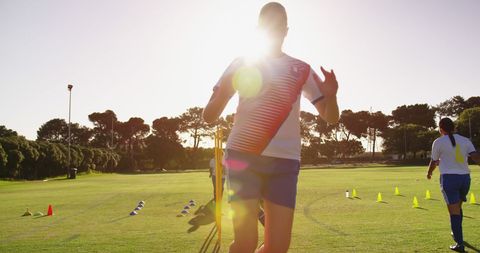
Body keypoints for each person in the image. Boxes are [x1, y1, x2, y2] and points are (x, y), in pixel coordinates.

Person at [203, 2, 339, 252]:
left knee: (278, 247)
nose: (273, 29)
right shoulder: (241, 63)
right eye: (268, 24)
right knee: (245, 243)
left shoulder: (301, 69)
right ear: (258, 29)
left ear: (287, 30)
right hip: (243, 157)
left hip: (285, 162)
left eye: (278, 25)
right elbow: (209, 116)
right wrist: (220, 93)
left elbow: (331, 118)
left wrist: (331, 96)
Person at [427, 117, 480, 252]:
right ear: (454, 127)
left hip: (449, 180)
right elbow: (475, 157)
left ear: (441, 128)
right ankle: (455, 233)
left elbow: (434, 161)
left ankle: (459, 244)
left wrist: (429, 173)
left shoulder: (438, 142)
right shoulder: (465, 140)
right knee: (458, 208)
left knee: (454, 212)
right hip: (465, 179)